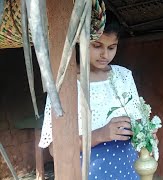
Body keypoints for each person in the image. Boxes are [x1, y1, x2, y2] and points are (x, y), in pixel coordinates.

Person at [39, 12, 145, 180]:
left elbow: (139, 123)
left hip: (128, 169)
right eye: (97, 46)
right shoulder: (66, 84)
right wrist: (100, 135)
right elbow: (55, 148)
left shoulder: (123, 76)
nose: (105, 54)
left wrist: (146, 133)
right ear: (81, 41)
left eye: (112, 47)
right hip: (89, 172)